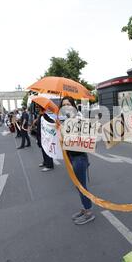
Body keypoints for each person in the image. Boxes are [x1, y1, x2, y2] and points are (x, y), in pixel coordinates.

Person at [59, 96, 95, 225]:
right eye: (63, 105)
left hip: (79, 158)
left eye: (68, 104)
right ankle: (85, 208)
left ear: (73, 106)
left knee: (81, 187)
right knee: (78, 186)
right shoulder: (66, 121)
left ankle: (89, 212)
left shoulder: (79, 119)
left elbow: (84, 139)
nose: (66, 107)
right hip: (71, 157)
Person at [35, 105, 54, 171]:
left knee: (47, 150)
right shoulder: (41, 115)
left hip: (45, 135)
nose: (37, 109)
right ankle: (45, 162)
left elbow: (50, 123)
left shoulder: (46, 115)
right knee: (43, 150)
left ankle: (49, 165)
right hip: (40, 135)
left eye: (38, 107)